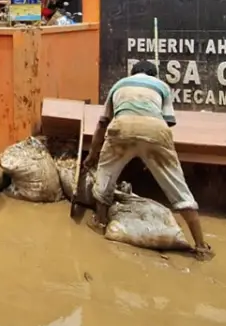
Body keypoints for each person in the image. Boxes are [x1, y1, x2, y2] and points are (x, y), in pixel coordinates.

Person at [84, 60, 213, 260]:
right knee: (179, 190)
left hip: (121, 127)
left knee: (105, 177)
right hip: (155, 130)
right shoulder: (161, 86)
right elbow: (167, 122)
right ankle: (201, 245)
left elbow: (102, 125)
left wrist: (92, 155)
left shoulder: (119, 85)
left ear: (132, 72)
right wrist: (151, 154)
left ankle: (100, 222)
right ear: (153, 75)